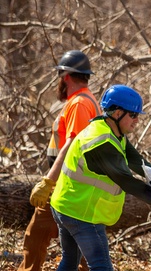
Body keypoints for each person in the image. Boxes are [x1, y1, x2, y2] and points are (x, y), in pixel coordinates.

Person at [49, 84, 151, 271]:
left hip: (65, 206)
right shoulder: (103, 143)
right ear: (117, 113)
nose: (137, 120)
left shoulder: (112, 132)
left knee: (69, 261)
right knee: (101, 266)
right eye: (133, 115)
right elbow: (127, 181)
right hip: (82, 214)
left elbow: (138, 162)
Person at [20, 50, 101, 271]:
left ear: (65, 76)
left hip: (66, 184)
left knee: (36, 237)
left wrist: (48, 182)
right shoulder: (82, 101)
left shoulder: (79, 104)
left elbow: (72, 146)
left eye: (60, 76)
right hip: (69, 183)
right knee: (80, 246)